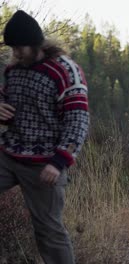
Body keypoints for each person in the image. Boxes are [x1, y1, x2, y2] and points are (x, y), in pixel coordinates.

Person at [0, 10, 89, 264]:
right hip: (9, 154)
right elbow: (7, 101)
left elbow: (78, 120)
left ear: (36, 43)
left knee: (49, 232)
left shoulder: (65, 72)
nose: (16, 53)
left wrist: (59, 161)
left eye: (21, 48)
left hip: (45, 162)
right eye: (13, 48)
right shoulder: (13, 70)